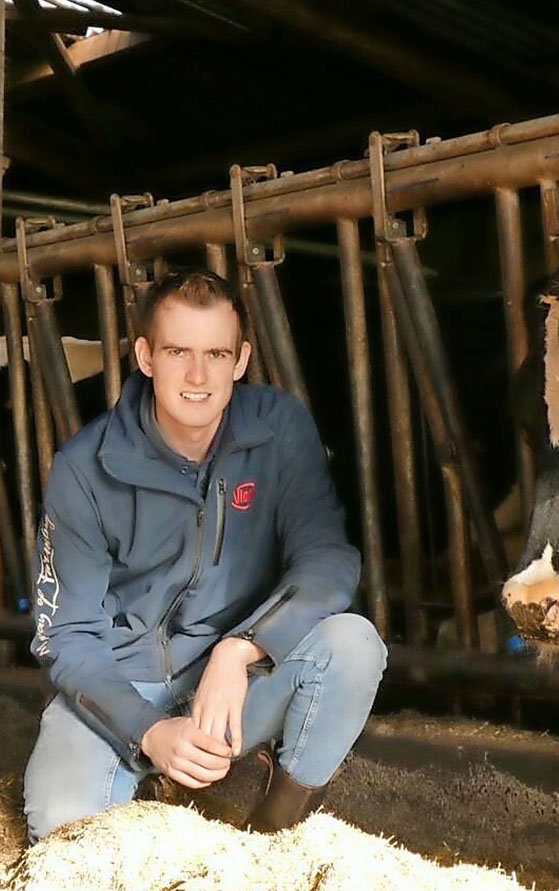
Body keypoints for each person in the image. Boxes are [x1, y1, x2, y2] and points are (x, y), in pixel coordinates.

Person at [23, 268, 386, 842]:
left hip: (231, 685)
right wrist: (149, 731)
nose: (198, 375)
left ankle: (270, 835)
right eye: (178, 351)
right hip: (122, 687)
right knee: (62, 828)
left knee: (353, 645)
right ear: (145, 357)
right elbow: (66, 635)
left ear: (240, 360)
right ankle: (154, 776)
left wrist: (239, 649)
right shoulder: (85, 468)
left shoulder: (278, 429)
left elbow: (327, 559)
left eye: (216, 353)